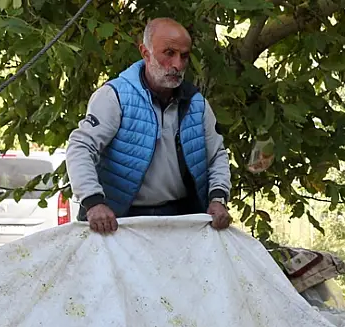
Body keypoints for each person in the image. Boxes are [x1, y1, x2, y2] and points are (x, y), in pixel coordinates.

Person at [66, 18, 232, 234]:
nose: (177, 65)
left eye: (184, 56)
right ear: (145, 53)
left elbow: (216, 155)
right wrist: (93, 202)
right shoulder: (114, 96)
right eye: (169, 53)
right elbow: (80, 147)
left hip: (180, 219)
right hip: (118, 220)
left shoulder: (196, 103)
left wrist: (218, 198)